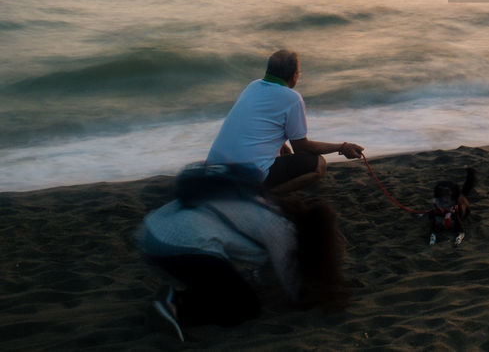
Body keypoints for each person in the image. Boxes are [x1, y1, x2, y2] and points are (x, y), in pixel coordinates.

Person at [139, 162, 347, 340]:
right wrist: (309, 297)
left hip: (152, 231)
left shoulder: (261, 203)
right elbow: (289, 280)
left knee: (227, 285)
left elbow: (266, 272)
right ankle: (176, 305)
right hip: (182, 244)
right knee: (245, 308)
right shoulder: (282, 229)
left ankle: (177, 297)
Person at [207, 49, 364, 193]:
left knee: (283, 153)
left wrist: (281, 144)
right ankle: (264, 197)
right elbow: (301, 147)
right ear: (295, 76)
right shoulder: (292, 98)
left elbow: (254, 122)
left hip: (215, 168)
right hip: (247, 176)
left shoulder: (253, 86)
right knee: (318, 164)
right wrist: (342, 147)